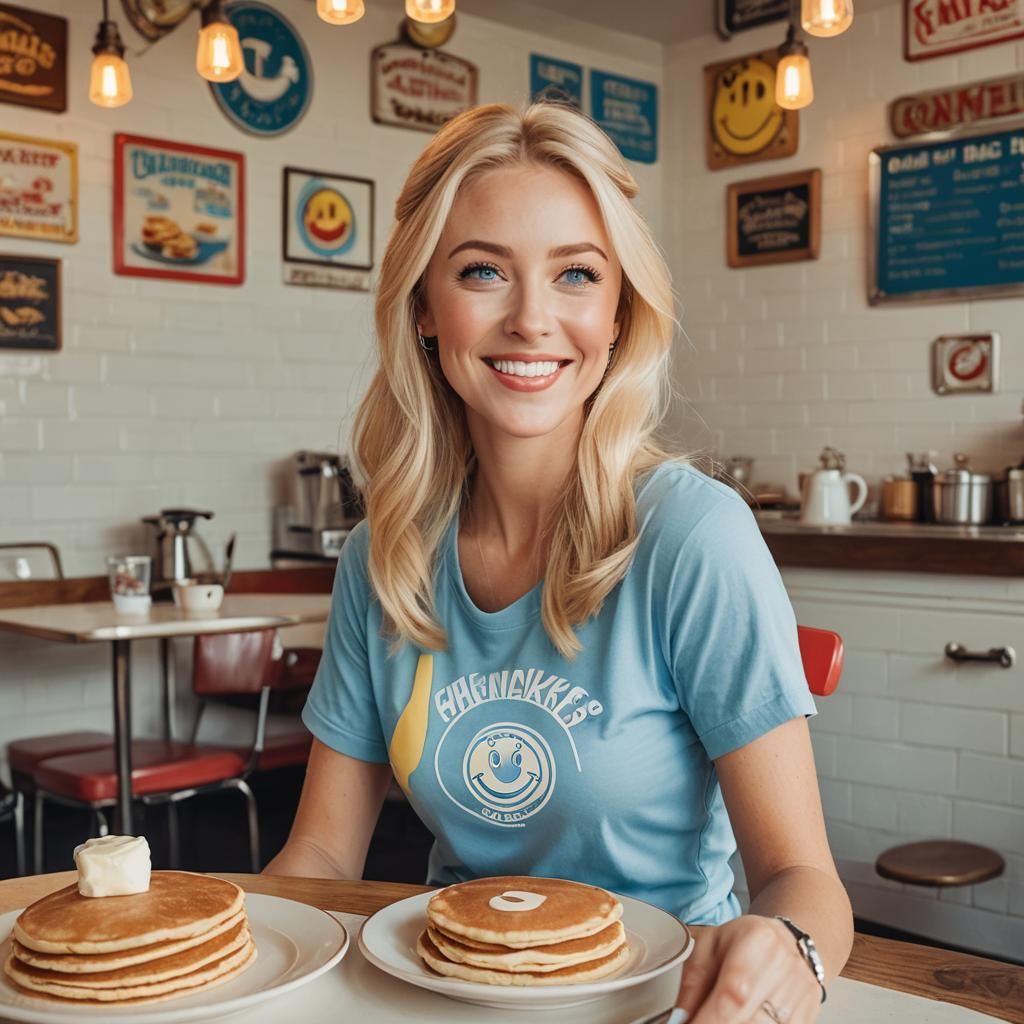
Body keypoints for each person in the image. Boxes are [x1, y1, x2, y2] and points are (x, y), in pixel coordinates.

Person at [266, 101, 853, 1023]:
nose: (533, 319)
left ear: (619, 311)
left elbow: (800, 876)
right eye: (483, 272)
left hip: (666, 1001)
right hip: (448, 994)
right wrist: (222, 959)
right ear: (424, 306)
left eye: (576, 273)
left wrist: (790, 953)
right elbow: (323, 862)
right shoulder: (380, 557)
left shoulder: (693, 537)